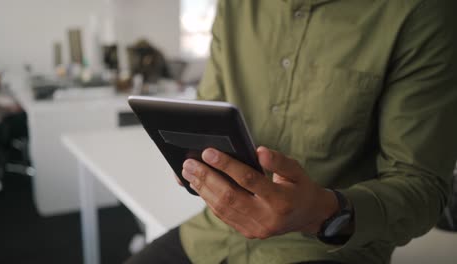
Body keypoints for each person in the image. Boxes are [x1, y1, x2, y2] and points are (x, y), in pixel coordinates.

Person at [125, 0, 457, 263]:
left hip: (324, 251)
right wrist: (193, 163)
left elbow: (423, 186)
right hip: (210, 239)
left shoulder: (422, 11)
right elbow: (206, 116)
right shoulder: (234, 5)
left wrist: (323, 212)